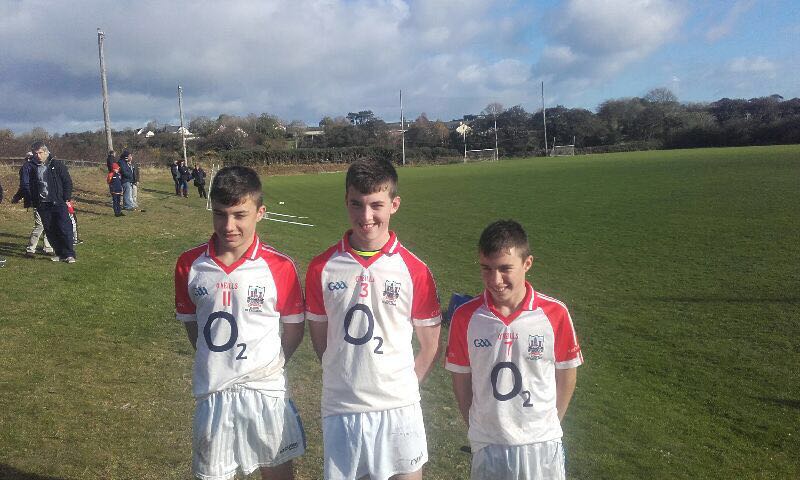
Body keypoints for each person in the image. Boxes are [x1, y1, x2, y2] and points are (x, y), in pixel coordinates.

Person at [305, 158, 442, 480]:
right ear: (346, 201)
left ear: (394, 204)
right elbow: (322, 341)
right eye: (357, 204)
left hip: (399, 408)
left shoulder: (415, 270)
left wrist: (401, 387)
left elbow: (430, 345)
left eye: (376, 205)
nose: (366, 216)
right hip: (343, 407)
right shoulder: (321, 268)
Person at [174, 165, 306, 480]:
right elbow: (193, 327)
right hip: (214, 389)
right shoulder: (189, 265)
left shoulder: (280, 266)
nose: (229, 225)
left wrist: (270, 363)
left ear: (260, 213)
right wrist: (217, 359)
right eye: (220, 214)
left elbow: (294, 330)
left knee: (277, 472)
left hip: (264, 389)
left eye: (239, 215)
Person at [444, 220, 583, 480]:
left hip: (540, 443)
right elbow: (461, 379)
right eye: (486, 268)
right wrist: (478, 426)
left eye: (505, 268)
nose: (495, 280)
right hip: (489, 442)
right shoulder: (465, 316)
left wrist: (549, 422)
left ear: (527, 263)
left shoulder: (555, 313)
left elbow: (566, 374)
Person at [19, 141, 75, 263]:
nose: (38, 156)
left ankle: (69, 254)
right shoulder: (33, 168)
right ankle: (59, 253)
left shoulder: (57, 165)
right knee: (50, 230)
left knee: (64, 228)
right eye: (35, 153)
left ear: (46, 152)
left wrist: (66, 198)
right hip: (43, 204)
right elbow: (29, 185)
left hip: (58, 202)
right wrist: (32, 200)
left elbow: (67, 182)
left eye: (40, 153)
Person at [12, 152, 54, 257]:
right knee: (40, 225)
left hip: (48, 200)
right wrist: (18, 197)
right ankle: (30, 249)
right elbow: (24, 185)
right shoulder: (26, 168)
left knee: (48, 224)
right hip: (37, 201)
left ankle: (48, 247)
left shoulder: (44, 167)